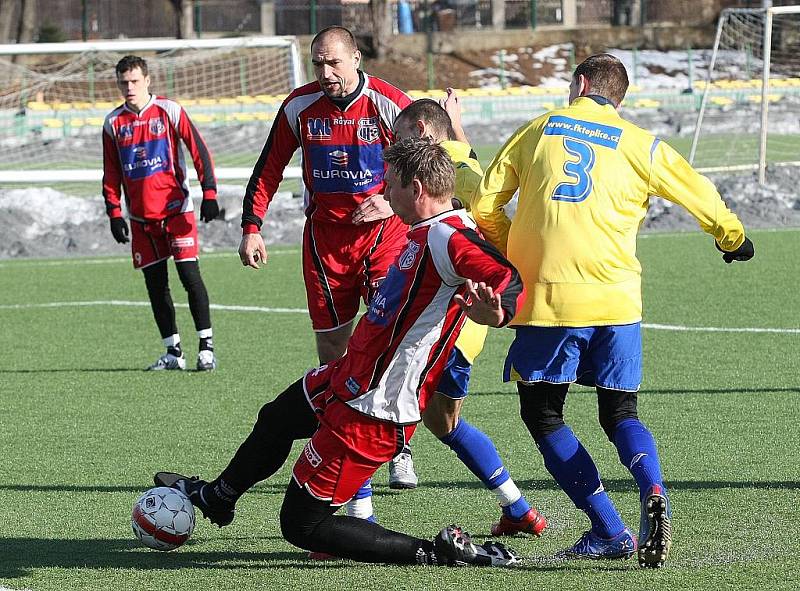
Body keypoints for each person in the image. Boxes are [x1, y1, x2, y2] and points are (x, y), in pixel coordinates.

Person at [155, 137, 525, 567]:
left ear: (418, 189)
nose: (383, 193)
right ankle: (219, 497)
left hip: (375, 407)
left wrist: (496, 312)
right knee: (277, 417)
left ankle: (437, 553)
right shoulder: (425, 230)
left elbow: (507, 279)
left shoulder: (448, 237)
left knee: (302, 525)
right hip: (349, 377)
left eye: (390, 185)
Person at [472, 53, 754, 568]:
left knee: (543, 412)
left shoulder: (538, 130)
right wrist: (732, 238)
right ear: (618, 99)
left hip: (551, 299)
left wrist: (511, 257)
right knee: (620, 412)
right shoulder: (639, 143)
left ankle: (609, 528)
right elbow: (702, 196)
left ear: (579, 84)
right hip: (619, 299)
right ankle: (652, 488)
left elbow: (486, 204)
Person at [238, 26, 417, 488]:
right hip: (325, 244)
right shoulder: (298, 106)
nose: (325, 72)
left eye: (333, 62)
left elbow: (431, 159)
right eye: (318, 63)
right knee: (333, 352)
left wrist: (391, 199)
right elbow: (269, 166)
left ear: (356, 58)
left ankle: (399, 446)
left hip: (385, 236)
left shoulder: (387, 101)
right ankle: (339, 445)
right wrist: (252, 227)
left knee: (387, 341)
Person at [391, 94, 546, 538]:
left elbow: (478, 218)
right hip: (464, 330)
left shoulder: (446, 181)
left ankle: (353, 521)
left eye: (402, 139)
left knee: (372, 405)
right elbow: (472, 168)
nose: (395, 150)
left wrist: (499, 269)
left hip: (442, 325)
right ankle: (518, 507)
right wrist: (458, 128)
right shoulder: (465, 167)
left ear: (421, 135)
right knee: (443, 423)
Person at [102, 55, 219, 371]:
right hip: (141, 220)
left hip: (176, 211)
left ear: (147, 80)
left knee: (189, 277)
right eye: (124, 82)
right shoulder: (113, 123)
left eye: (135, 81)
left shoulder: (169, 111)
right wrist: (114, 212)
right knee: (156, 287)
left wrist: (209, 193)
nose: (129, 87)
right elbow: (111, 172)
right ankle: (173, 353)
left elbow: (199, 151)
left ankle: (206, 348)